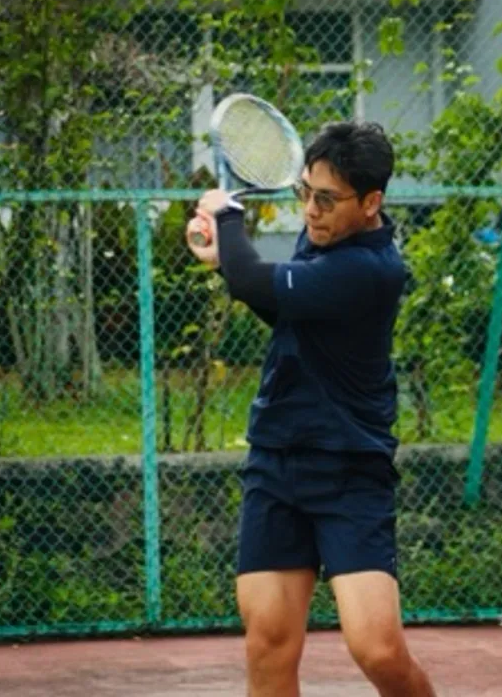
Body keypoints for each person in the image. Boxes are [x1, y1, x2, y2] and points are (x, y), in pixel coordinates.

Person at [186, 121, 437, 697]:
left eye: (327, 199)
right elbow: (285, 307)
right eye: (305, 193)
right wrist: (225, 262)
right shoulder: (324, 237)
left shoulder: (373, 269)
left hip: (350, 470)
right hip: (276, 462)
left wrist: (226, 217)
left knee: (378, 650)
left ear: (371, 202)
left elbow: (256, 281)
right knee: (268, 642)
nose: (311, 211)